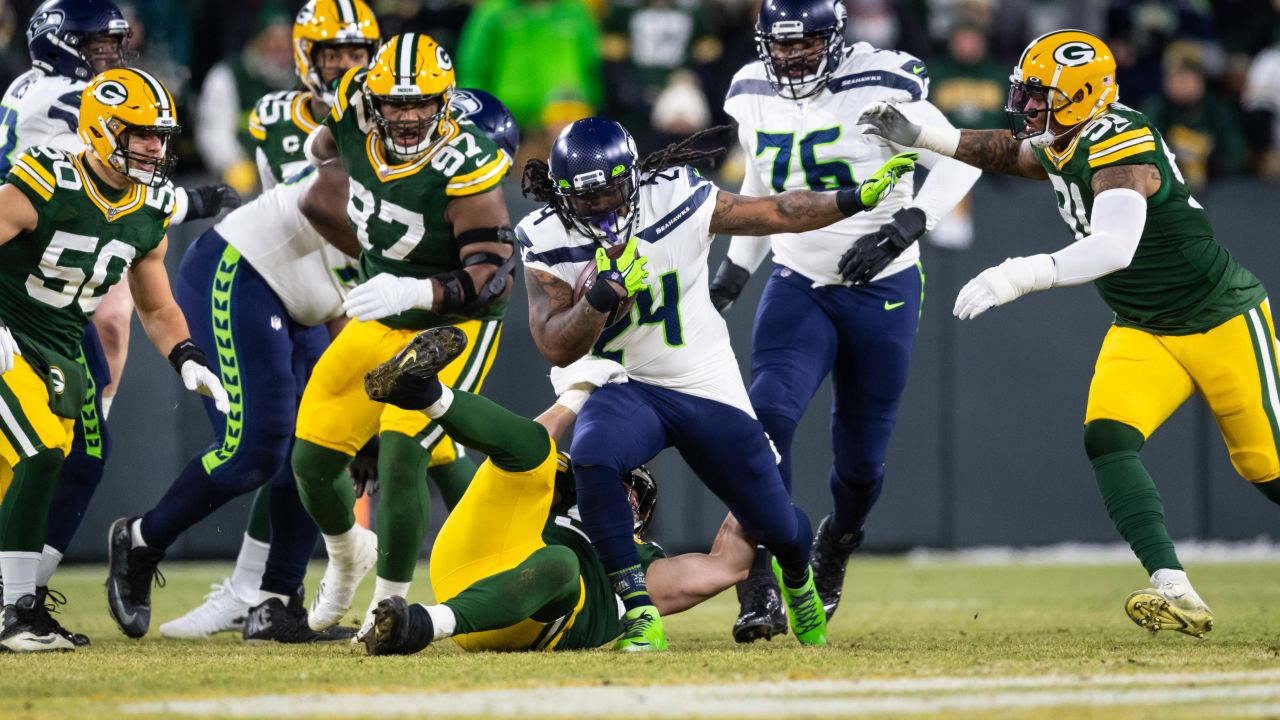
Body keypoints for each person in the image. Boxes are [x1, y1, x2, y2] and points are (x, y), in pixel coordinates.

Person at [859, 29, 1276, 638]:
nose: (1027, 107)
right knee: (1108, 438)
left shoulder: (1120, 142)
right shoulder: (1067, 134)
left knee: (1266, 466)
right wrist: (924, 135)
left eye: (1039, 96)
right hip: (1145, 326)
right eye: (1024, 94)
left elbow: (1115, 247)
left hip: (1219, 317)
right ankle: (1174, 587)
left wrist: (1022, 273)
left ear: (1080, 96)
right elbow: (1015, 154)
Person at [519, 115, 917, 650]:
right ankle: (638, 611)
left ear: (633, 177)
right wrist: (601, 297)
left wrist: (852, 199)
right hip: (626, 382)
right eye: (586, 199)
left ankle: (798, 579)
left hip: (703, 383)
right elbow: (555, 343)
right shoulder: (544, 236)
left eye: (612, 190)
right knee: (592, 455)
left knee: (775, 522)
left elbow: (777, 211)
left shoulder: (676, 196)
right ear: (564, 198)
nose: (602, 207)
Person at [104, 0, 381, 644]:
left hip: (307, 298)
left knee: (314, 452)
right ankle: (141, 540)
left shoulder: (391, 146)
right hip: (250, 274)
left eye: (354, 55)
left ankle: (272, 601)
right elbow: (326, 213)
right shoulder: (290, 119)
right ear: (305, 58)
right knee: (255, 449)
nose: (343, 68)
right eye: (330, 54)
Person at [711, 0, 981, 642]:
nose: (794, 54)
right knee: (765, 423)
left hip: (881, 290)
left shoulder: (880, 80)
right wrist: (732, 273)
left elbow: (965, 156)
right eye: (783, 43)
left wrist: (903, 228)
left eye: (808, 41)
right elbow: (760, 180)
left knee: (860, 468)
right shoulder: (749, 89)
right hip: (798, 283)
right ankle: (759, 580)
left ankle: (837, 540)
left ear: (835, 38)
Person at [0, 0, 239, 647]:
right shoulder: (44, 178)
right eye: (140, 135)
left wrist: (189, 357)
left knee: (67, 455)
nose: (155, 148)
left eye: (161, 136)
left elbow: (159, 307)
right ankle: (14, 610)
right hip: (11, 326)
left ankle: (18, 604)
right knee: (42, 450)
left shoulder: (151, 204)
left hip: (57, 339)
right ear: (101, 130)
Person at [289, 32, 516, 634]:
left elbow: (494, 277)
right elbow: (321, 156)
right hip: (382, 317)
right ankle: (345, 557)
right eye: (396, 103)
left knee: (400, 447)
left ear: (446, 99)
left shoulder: (464, 160)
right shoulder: (350, 109)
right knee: (311, 453)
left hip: (454, 324)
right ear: (372, 98)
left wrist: (416, 290)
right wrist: (325, 140)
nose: (411, 116)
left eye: (423, 103)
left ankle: (390, 604)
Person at [355, 328, 756, 655]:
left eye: (629, 490)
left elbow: (728, 564)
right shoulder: (567, 490)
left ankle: (423, 624)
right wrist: (578, 394)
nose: (616, 491)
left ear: (640, 514)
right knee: (535, 450)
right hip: (475, 558)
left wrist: (760, 472)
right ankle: (424, 393)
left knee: (561, 563)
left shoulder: (642, 565)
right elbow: (535, 438)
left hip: (518, 619)